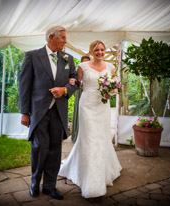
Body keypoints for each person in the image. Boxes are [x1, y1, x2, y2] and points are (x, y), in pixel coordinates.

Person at [19, 25, 79, 200]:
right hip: (39, 111)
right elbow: (24, 86)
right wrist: (25, 112)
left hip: (58, 111)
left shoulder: (68, 59)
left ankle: (50, 186)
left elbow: (75, 82)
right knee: (39, 148)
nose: (65, 41)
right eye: (63, 37)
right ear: (51, 37)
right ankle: (34, 182)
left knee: (55, 149)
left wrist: (65, 90)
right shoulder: (32, 56)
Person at [59, 40, 122, 198]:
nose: (100, 52)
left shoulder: (111, 67)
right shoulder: (83, 67)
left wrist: (111, 93)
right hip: (87, 105)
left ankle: (102, 172)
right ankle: (89, 179)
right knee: (89, 139)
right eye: (96, 50)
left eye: (102, 50)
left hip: (103, 106)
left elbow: (115, 86)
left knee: (101, 138)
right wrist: (70, 82)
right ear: (91, 51)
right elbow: (78, 84)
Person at [71, 55, 90, 143]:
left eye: (87, 62)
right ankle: (76, 134)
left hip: (89, 94)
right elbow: (74, 81)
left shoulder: (91, 69)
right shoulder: (78, 70)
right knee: (78, 113)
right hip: (79, 93)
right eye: (84, 62)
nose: (85, 64)